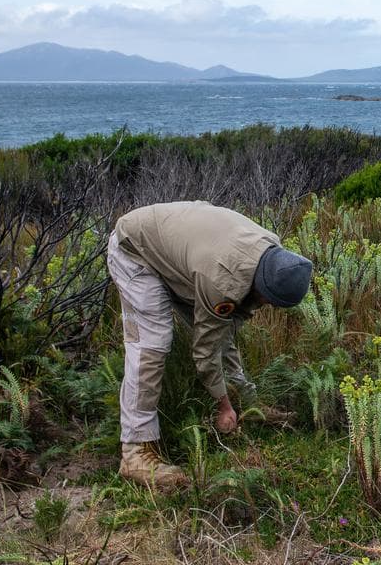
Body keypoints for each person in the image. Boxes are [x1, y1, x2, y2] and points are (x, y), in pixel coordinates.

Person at [107, 201, 313, 488]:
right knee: (152, 343)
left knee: (221, 328)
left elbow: (223, 330)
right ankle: (135, 451)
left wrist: (243, 398)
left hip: (180, 250)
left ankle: (249, 401)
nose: (267, 306)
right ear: (264, 287)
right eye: (269, 301)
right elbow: (204, 352)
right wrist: (223, 406)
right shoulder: (222, 281)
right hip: (135, 249)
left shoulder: (271, 251)